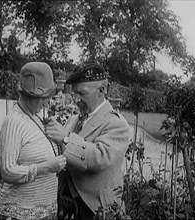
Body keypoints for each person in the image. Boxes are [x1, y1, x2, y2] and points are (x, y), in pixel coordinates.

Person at [45, 63, 132, 220]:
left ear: (102, 91)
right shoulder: (74, 119)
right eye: (74, 94)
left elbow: (100, 157)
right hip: (67, 206)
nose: (76, 99)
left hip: (96, 210)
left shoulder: (117, 124)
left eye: (82, 93)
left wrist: (66, 137)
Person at [0, 62, 67, 220]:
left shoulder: (36, 117)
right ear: (29, 95)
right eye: (44, 98)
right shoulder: (13, 121)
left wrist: (59, 138)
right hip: (21, 213)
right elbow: (7, 171)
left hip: (45, 213)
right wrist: (45, 168)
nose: (47, 102)